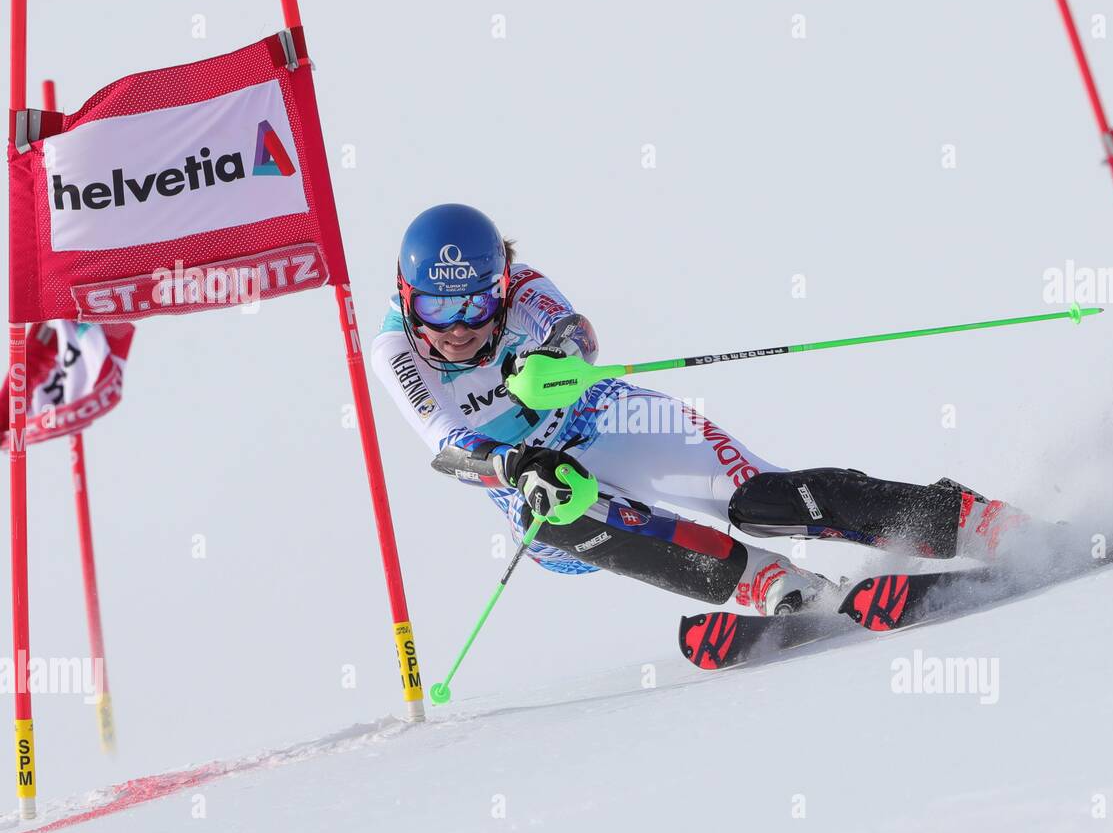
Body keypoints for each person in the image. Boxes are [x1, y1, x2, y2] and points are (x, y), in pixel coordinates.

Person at [372, 203, 1042, 618]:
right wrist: (516, 465)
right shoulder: (396, 348)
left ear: (499, 284)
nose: (459, 327)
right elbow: (447, 445)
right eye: (437, 307)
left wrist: (557, 357)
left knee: (764, 500)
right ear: (409, 299)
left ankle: (976, 523)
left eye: (475, 304)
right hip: (540, 487)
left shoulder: (522, 288)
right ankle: (769, 586)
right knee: (555, 517)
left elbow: (577, 334)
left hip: (611, 423)